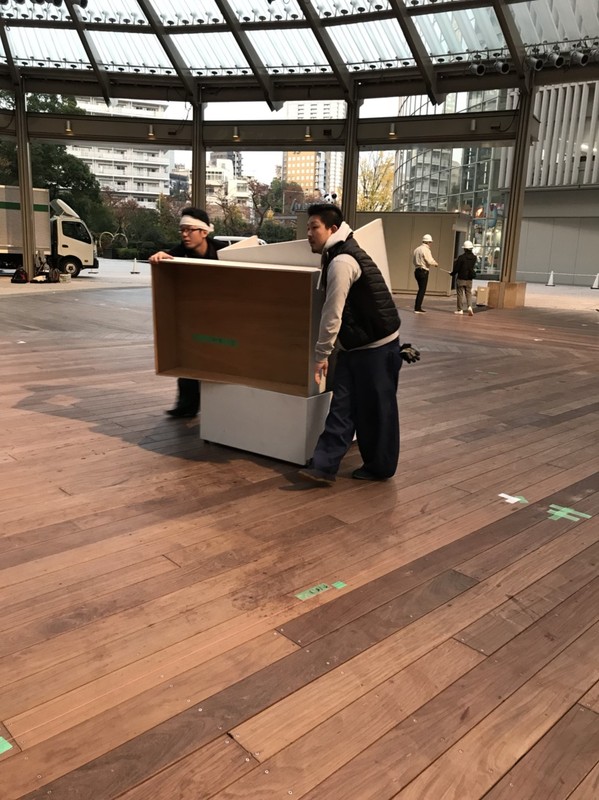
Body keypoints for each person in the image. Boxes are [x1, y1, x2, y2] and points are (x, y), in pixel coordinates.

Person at [298, 203, 419, 486]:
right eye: (307, 228)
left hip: (377, 348)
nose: (309, 234)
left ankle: (380, 468)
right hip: (356, 347)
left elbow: (333, 313)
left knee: (377, 411)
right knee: (341, 407)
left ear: (332, 229)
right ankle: (323, 467)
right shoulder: (338, 254)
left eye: (314, 227)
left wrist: (322, 354)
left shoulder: (342, 261)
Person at [149, 208, 227, 418]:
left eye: (189, 230)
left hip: (223, 316)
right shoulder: (178, 253)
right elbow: (164, 259)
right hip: (195, 316)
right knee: (189, 357)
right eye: (182, 230)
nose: (184, 235)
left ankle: (220, 409)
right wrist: (160, 257)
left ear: (204, 232)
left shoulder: (225, 251)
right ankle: (187, 406)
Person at [412, 233, 439, 313]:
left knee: (420, 289)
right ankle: (417, 308)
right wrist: (435, 263)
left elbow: (414, 261)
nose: (431, 244)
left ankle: (417, 307)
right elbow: (429, 260)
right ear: (428, 242)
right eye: (430, 242)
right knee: (422, 290)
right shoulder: (426, 250)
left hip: (417, 270)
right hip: (423, 271)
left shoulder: (417, 249)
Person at [451, 240, 477, 316]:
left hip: (461, 278)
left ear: (464, 249)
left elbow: (457, 268)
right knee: (468, 293)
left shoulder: (461, 257)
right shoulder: (474, 258)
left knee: (460, 294)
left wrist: (452, 273)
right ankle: (469, 306)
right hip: (469, 278)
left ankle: (460, 310)